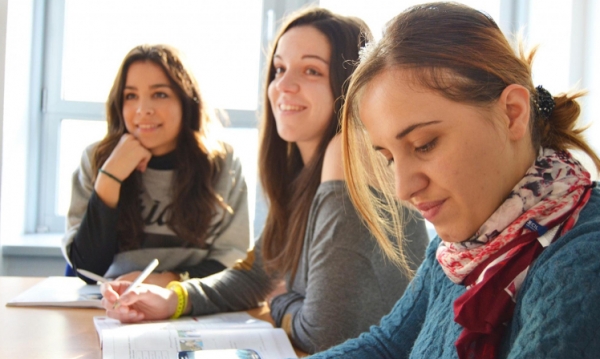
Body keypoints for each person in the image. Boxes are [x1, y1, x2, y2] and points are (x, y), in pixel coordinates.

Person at [99, 8, 429, 354]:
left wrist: (281, 302)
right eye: (279, 69)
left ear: (349, 85)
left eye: (312, 70)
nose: (283, 86)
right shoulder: (302, 173)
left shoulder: (348, 151)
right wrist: (173, 299)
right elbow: (258, 275)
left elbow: (323, 333)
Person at [309, 2, 600, 359]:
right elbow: (387, 345)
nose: (403, 189)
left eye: (424, 144)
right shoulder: (461, 245)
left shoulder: (581, 265)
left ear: (512, 114)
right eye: (388, 158)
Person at [62, 44, 250, 287]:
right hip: (109, 304)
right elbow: (87, 270)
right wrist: (109, 178)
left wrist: (166, 281)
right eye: (130, 96)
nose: (143, 110)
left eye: (159, 94)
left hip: (194, 304)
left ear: (186, 101)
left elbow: (232, 261)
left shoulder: (223, 164)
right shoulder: (96, 159)